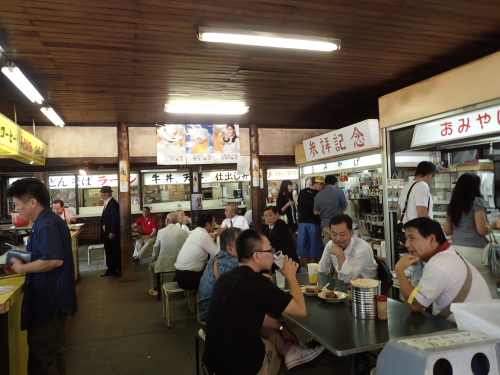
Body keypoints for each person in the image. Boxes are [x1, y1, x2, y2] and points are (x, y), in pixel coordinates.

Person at [204, 229, 325, 375]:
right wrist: (291, 275)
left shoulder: (227, 278)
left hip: (214, 361)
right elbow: (300, 310)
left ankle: (292, 351)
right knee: (273, 349)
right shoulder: (256, 283)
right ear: (256, 256)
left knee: (269, 329)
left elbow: (251, 316)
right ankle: (289, 354)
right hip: (240, 366)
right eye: (270, 250)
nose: (274, 254)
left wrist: (281, 327)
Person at [5, 178, 78, 374]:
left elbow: (54, 260)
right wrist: (24, 262)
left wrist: (22, 269)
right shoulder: (48, 220)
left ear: (33, 202)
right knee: (54, 355)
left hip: (49, 304)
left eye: (17, 205)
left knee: (42, 361)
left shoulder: (46, 224)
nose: (16, 210)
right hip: (54, 302)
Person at [395, 218, 491, 321]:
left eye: (412, 238)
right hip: (478, 322)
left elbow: (416, 305)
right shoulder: (449, 253)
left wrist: (399, 269)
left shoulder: (437, 264)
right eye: (407, 238)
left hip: (465, 329)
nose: (407, 244)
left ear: (432, 239)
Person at [444, 173, 496, 295]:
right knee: (486, 286)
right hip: (475, 251)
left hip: (456, 250)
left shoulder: (453, 204)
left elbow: (448, 230)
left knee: (464, 286)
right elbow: (482, 230)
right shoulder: (477, 202)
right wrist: (492, 225)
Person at [397, 161, 437, 286]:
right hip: (421, 236)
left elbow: (399, 212)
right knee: (426, 270)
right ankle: (421, 300)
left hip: (410, 235)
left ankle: (414, 299)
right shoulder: (422, 186)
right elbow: (422, 214)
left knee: (417, 268)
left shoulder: (407, 186)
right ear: (430, 175)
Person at [198, 227, 242, 326]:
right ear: (230, 248)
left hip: (205, 318)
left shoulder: (216, 258)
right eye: (242, 244)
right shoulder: (234, 262)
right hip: (218, 324)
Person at [318, 214, 377, 283]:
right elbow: (322, 270)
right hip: (343, 287)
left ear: (352, 232)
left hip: (365, 290)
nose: (338, 238)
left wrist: (340, 254)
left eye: (342, 234)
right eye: (334, 234)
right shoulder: (331, 244)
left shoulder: (362, 248)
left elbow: (348, 280)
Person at [174, 211, 219, 290]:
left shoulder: (196, 232)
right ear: (208, 224)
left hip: (180, 274)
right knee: (219, 278)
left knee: (210, 267)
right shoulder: (203, 235)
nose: (215, 224)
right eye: (214, 222)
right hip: (188, 278)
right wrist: (219, 236)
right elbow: (217, 254)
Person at [148, 212, 189, 296]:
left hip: (163, 263)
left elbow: (156, 248)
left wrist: (154, 259)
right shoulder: (183, 232)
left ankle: (155, 288)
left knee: (151, 267)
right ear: (176, 220)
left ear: (167, 220)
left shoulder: (161, 232)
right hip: (180, 263)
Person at [297, 176, 325, 266]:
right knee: (314, 246)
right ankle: (313, 267)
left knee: (303, 245)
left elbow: (298, 206)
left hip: (302, 223)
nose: (322, 189)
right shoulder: (319, 195)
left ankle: (306, 267)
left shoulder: (302, 192)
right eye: (322, 186)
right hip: (314, 223)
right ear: (318, 184)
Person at [314, 175, 348, 246]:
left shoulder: (318, 195)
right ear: (335, 183)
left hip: (324, 224)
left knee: (328, 247)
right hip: (337, 224)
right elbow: (345, 208)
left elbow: (316, 212)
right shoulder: (339, 192)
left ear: (325, 184)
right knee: (338, 245)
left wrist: (325, 211)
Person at [100, 186, 121, 277]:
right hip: (107, 232)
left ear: (104, 194)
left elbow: (115, 219)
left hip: (111, 233)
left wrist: (112, 231)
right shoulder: (108, 203)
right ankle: (111, 269)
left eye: (101, 193)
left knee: (113, 251)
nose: (101, 194)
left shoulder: (112, 204)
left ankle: (115, 269)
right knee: (109, 251)